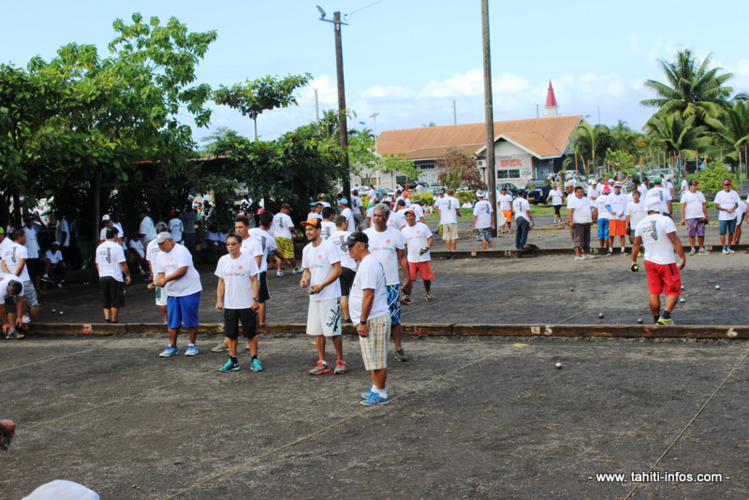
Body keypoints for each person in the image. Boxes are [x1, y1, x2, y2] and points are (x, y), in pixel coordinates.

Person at [345, 231, 392, 405]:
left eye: (352, 245)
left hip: (374, 318)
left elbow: (369, 295)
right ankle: (375, 387)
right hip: (370, 318)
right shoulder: (364, 263)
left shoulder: (369, 264)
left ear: (362, 245)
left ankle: (381, 392)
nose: (349, 249)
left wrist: (363, 321)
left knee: (377, 359)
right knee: (372, 358)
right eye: (348, 246)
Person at [364, 203, 412, 361]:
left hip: (391, 282)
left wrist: (408, 277)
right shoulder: (366, 235)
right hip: (371, 283)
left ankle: (398, 348)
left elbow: (402, 257)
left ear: (387, 217)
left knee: (395, 317)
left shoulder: (396, 234)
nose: (376, 219)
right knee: (371, 316)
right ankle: (375, 349)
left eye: (380, 216)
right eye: (374, 216)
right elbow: (361, 259)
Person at [300, 218, 347, 375]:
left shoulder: (329, 247)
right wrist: (304, 279)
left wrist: (322, 286)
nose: (308, 232)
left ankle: (340, 361)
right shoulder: (306, 249)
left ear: (318, 230)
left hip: (330, 295)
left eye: (311, 229)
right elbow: (307, 270)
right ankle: (323, 362)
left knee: (333, 331)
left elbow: (338, 270)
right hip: (315, 296)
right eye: (306, 229)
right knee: (317, 331)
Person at [631, 197, 686, 326]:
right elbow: (673, 239)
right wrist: (682, 257)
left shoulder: (641, 223)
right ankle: (666, 317)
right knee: (673, 290)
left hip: (649, 261)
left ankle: (657, 320)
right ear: (660, 208)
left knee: (654, 292)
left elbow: (636, 244)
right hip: (666, 261)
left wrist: (633, 260)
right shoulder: (666, 220)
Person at [215, 233, 261, 372]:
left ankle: (254, 359)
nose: (230, 247)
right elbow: (221, 281)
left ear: (240, 244)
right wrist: (219, 300)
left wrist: (254, 299)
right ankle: (233, 360)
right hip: (230, 304)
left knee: (251, 333)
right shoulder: (223, 260)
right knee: (230, 334)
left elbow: (254, 279)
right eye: (228, 244)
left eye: (233, 244)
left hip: (246, 303)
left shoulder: (248, 260)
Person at [155, 232, 202, 357]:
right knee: (173, 320)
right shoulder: (160, 255)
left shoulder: (181, 251)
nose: (160, 247)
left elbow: (182, 270)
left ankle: (192, 344)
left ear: (170, 240)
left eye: (162, 244)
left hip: (189, 289)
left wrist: (166, 280)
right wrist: (155, 282)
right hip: (173, 292)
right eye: (158, 245)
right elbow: (161, 273)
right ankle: (172, 346)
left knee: (190, 318)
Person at [250, 211, 293, 326]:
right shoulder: (268, 237)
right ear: (270, 224)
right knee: (261, 298)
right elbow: (277, 252)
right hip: (260, 270)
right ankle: (262, 323)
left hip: (247, 269)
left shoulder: (250, 232)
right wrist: (286, 260)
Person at [1, 229, 39, 326]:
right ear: (19, 237)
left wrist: (11, 277)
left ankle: (24, 321)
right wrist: (16, 277)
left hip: (11, 283)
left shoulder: (6, 249)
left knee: (19, 303)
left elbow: (3, 265)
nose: (25, 239)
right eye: (24, 237)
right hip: (24, 280)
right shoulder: (22, 249)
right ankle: (36, 324)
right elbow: (21, 265)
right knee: (32, 303)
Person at [95, 226, 131, 323]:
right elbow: (122, 263)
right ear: (115, 235)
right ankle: (114, 320)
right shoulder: (117, 247)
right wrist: (127, 275)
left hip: (103, 275)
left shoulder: (100, 247)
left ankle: (107, 319)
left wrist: (100, 272)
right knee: (115, 299)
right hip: (114, 275)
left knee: (106, 298)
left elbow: (97, 262)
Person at [327, 215, 357, 323]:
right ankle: (356, 314)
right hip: (351, 266)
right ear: (344, 223)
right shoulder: (350, 235)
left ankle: (346, 316)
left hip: (338, 268)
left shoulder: (330, 239)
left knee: (343, 293)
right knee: (355, 293)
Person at [401, 208, 434, 302]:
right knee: (409, 278)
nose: (409, 218)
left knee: (426, 278)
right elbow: (404, 245)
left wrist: (427, 247)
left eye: (410, 216)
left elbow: (430, 238)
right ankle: (407, 296)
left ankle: (428, 292)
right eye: (407, 216)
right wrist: (403, 257)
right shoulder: (404, 230)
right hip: (411, 258)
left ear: (414, 217)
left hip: (423, 257)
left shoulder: (423, 226)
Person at [145, 222, 170, 324]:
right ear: (167, 231)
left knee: (162, 300)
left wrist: (153, 274)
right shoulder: (169, 242)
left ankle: (166, 320)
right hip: (169, 275)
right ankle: (176, 319)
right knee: (172, 298)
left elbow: (149, 261)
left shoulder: (150, 244)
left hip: (157, 276)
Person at [679, 180, 709, 255]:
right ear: (690, 186)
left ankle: (701, 248)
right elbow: (682, 207)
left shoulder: (700, 194)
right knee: (691, 234)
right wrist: (682, 218)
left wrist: (706, 216)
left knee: (701, 233)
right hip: (690, 217)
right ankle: (693, 248)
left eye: (696, 185)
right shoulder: (686, 195)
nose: (696, 187)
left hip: (700, 216)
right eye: (694, 185)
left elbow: (704, 206)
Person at [272, 203, 302, 276]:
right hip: (286, 237)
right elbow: (291, 228)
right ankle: (295, 268)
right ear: (284, 209)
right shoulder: (286, 217)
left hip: (276, 237)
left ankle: (279, 271)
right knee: (290, 254)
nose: (289, 211)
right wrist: (295, 232)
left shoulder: (274, 216)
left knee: (278, 254)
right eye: (288, 210)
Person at [714, 179, 741, 254]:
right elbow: (716, 206)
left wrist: (734, 208)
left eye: (728, 185)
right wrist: (725, 209)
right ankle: (724, 247)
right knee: (722, 232)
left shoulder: (734, 193)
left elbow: (736, 203)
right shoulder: (720, 194)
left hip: (732, 216)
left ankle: (729, 246)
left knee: (731, 232)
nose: (727, 186)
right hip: (723, 216)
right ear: (723, 185)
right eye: (726, 185)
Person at [567, 186, 594, 260]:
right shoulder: (572, 200)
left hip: (587, 223)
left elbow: (589, 210)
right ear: (575, 192)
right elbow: (570, 212)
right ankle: (578, 255)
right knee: (577, 240)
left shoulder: (586, 200)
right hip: (577, 223)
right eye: (578, 192)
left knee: (586, 240)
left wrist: (591, 219)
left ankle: (586, 254)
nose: (580, 193)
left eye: (581, 192)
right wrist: (570, 221)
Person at [0, 275, 24, 339]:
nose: (11, 293)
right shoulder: (1, 289)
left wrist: (19, 317)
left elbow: (20, 301)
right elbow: (1, 309)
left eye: (13, 293)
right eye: (11, 292)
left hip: (5, 293)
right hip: (1, 291)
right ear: (8, 287)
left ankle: (12, 331)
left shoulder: (20, 284)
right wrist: (4, 323)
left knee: (12, 304)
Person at [22, 215, 42, 294]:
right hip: (29, 255)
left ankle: (37, 289)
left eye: (32, 221)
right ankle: (30, 291)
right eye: (29, 221)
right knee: (30, 274)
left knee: (38, 272)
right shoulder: (24, 231)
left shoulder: (33, 230)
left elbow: (35, 242)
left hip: (35, 254)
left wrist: (39, 251)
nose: (31, 222)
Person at [608, 182, 628, 253]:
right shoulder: (610, 196)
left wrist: (623, 212)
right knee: (611, 234)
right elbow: (607, 205)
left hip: (621, 217)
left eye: (618, 187)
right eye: (616, 187)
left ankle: (623, 249)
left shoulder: (624, 196)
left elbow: (627, 206)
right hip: (613, 217)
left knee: (622, 234)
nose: (617, 188)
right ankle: (610, 249)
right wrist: (611, 211)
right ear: (614, 188)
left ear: (620, 188)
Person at [594, 185, 613, 255]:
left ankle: (601, 247)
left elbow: (595, 209)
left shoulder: (598, 198)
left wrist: (594, 218)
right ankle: (606, 247)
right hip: (608, 217)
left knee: (601, 233)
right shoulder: (610, 198)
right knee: (607, 233)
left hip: (600, 217)